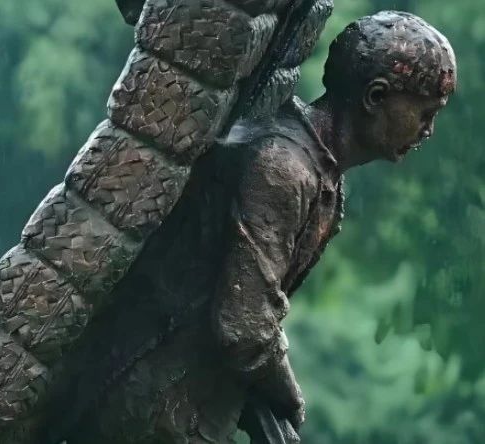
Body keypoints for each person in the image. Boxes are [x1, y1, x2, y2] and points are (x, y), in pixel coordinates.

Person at [50, 11, 457, 443]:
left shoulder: (322, 175)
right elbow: (242, 327)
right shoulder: (283, 169)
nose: (428, 130)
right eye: (424, 113)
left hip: (190, 402)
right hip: (152, 401)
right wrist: (289, 394)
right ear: (376, 97)